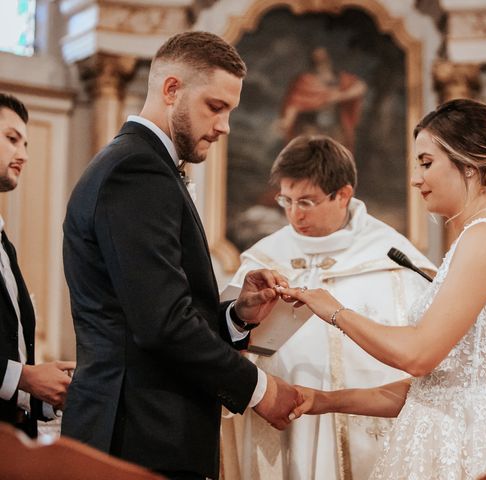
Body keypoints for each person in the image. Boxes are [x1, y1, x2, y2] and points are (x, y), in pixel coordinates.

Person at [61, 32, 301, 480]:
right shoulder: (137, 170)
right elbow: (162, 324)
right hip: (136, 434)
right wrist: (259, 390)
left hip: (146, 427)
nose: (225, 125)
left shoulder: (144, 164)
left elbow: (153, 305)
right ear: (172, 90)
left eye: (230, 110)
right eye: (216, 106)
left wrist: (236, 316)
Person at [280, 99, 486, 479]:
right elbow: (429, 388)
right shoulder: (477, 237)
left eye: (426, 163)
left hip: (461, 442)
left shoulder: (484, 239)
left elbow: (417, 356)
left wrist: (335, 311)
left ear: (467, 163)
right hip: (444, 427)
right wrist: (326, 400)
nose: (416, 179)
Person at [228, 134, 436, 480]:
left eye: (306, 202)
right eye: (286, 200)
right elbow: (229, 344)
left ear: (343, 195)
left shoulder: (392, 258)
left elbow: (419, 353)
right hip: (286, 423)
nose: (294, 214)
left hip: (363, 426)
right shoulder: (263, 259)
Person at [0, 93, 75, 438]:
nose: (24, 155)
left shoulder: (5, 244)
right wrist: (25, 377)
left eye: (26, 143)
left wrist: (44, 389)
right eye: (12, 139)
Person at [279, 47, 366, 152]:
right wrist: (287, 121)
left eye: (322, 59)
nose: (320, 62)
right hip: (311, 128)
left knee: (334, 159)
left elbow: (360, 87)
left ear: (328, 60)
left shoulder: (340, 78)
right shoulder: (305, 80)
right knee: (311, 158)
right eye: (316, 59)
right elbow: (294, 103)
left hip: (334, 129)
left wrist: (340, 96)